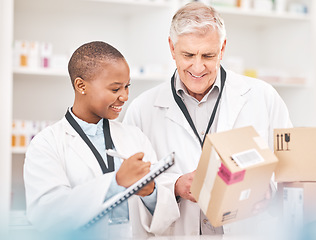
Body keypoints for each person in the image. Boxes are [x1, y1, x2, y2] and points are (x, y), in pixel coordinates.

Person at [123, 2, 292, 236]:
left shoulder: (263, 97)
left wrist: (269, 191)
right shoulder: (142, 110)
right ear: (172, 48)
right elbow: (131, 189)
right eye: (188, 55)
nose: (198, 66)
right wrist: (174, 186)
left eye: (208, 55)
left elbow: (288, 170)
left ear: (222, 48)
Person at [23, 41, 177, 239]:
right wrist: (116, 182)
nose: (124, 96)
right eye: (115, 89)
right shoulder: (46, 144)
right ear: (81, 86)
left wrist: (151, 192)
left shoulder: (134, 136)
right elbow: (46, 215)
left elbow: (167, 214)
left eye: (127, 87)